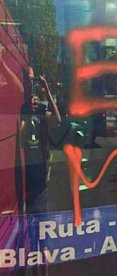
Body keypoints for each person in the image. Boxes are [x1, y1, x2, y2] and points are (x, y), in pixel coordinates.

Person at [20, 74, 61, 213]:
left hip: (40, 163)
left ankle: (41, 224)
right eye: (32, 100)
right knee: (30, 203)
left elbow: (57, 120)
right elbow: (20, 135)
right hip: (27, 165)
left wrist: (47, 90)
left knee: (41, 202)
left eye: (37, 100)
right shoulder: (24, 111)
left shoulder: (42, 113)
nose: (34, 103)